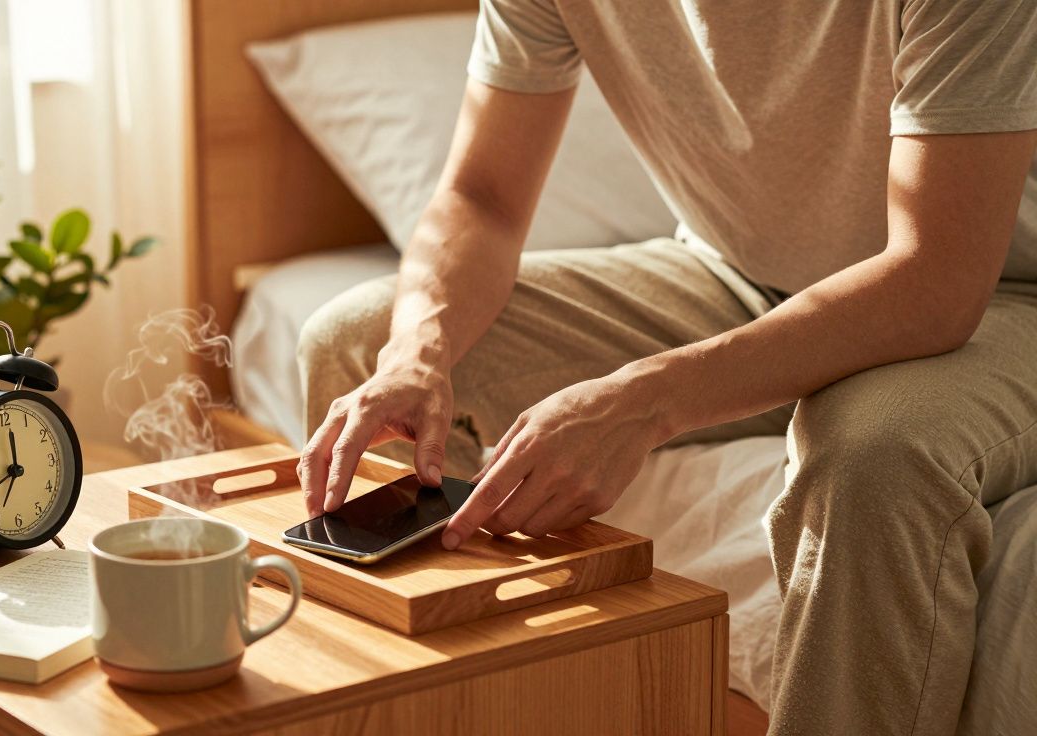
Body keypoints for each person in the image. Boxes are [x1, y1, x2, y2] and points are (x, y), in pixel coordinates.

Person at [295, 1, 1037, 733]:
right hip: (737, 277)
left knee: (872, 453)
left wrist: (644, 400)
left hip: (1000, 296)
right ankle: (451, 712)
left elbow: (936, 280)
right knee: (358, 342)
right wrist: (415, 353)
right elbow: (481, 198)